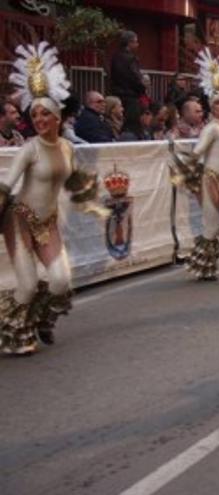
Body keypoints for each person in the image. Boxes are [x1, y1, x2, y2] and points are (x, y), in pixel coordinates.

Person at [0, 42, 107, 355]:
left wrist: (97, 204)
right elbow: (7, 184)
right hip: (19, 219)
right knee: (28, 284)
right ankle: (15, 332)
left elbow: (75, 182)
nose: (39, 118)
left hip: (48, 222)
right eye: (34, 114)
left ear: (58, 117)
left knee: (61, 281)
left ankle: (41, 317)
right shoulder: (29, 148)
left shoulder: (67, 148)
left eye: (45, 113)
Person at [168, 48, 219, 280]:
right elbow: (197, 152)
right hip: (210, 180)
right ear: (211, 107)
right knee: (212, 227)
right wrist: (190, 170)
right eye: (218, 102)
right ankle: (204, 268)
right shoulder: (212, 128)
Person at [110, 31, 146, 138]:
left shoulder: (115, 57)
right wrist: (142, 88)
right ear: (129, 43)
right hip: (131, 97)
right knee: (133, 127)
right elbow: (135, 78)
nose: (137, 45)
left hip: (118, 94)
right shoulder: (130, 59)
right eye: (135, 42)